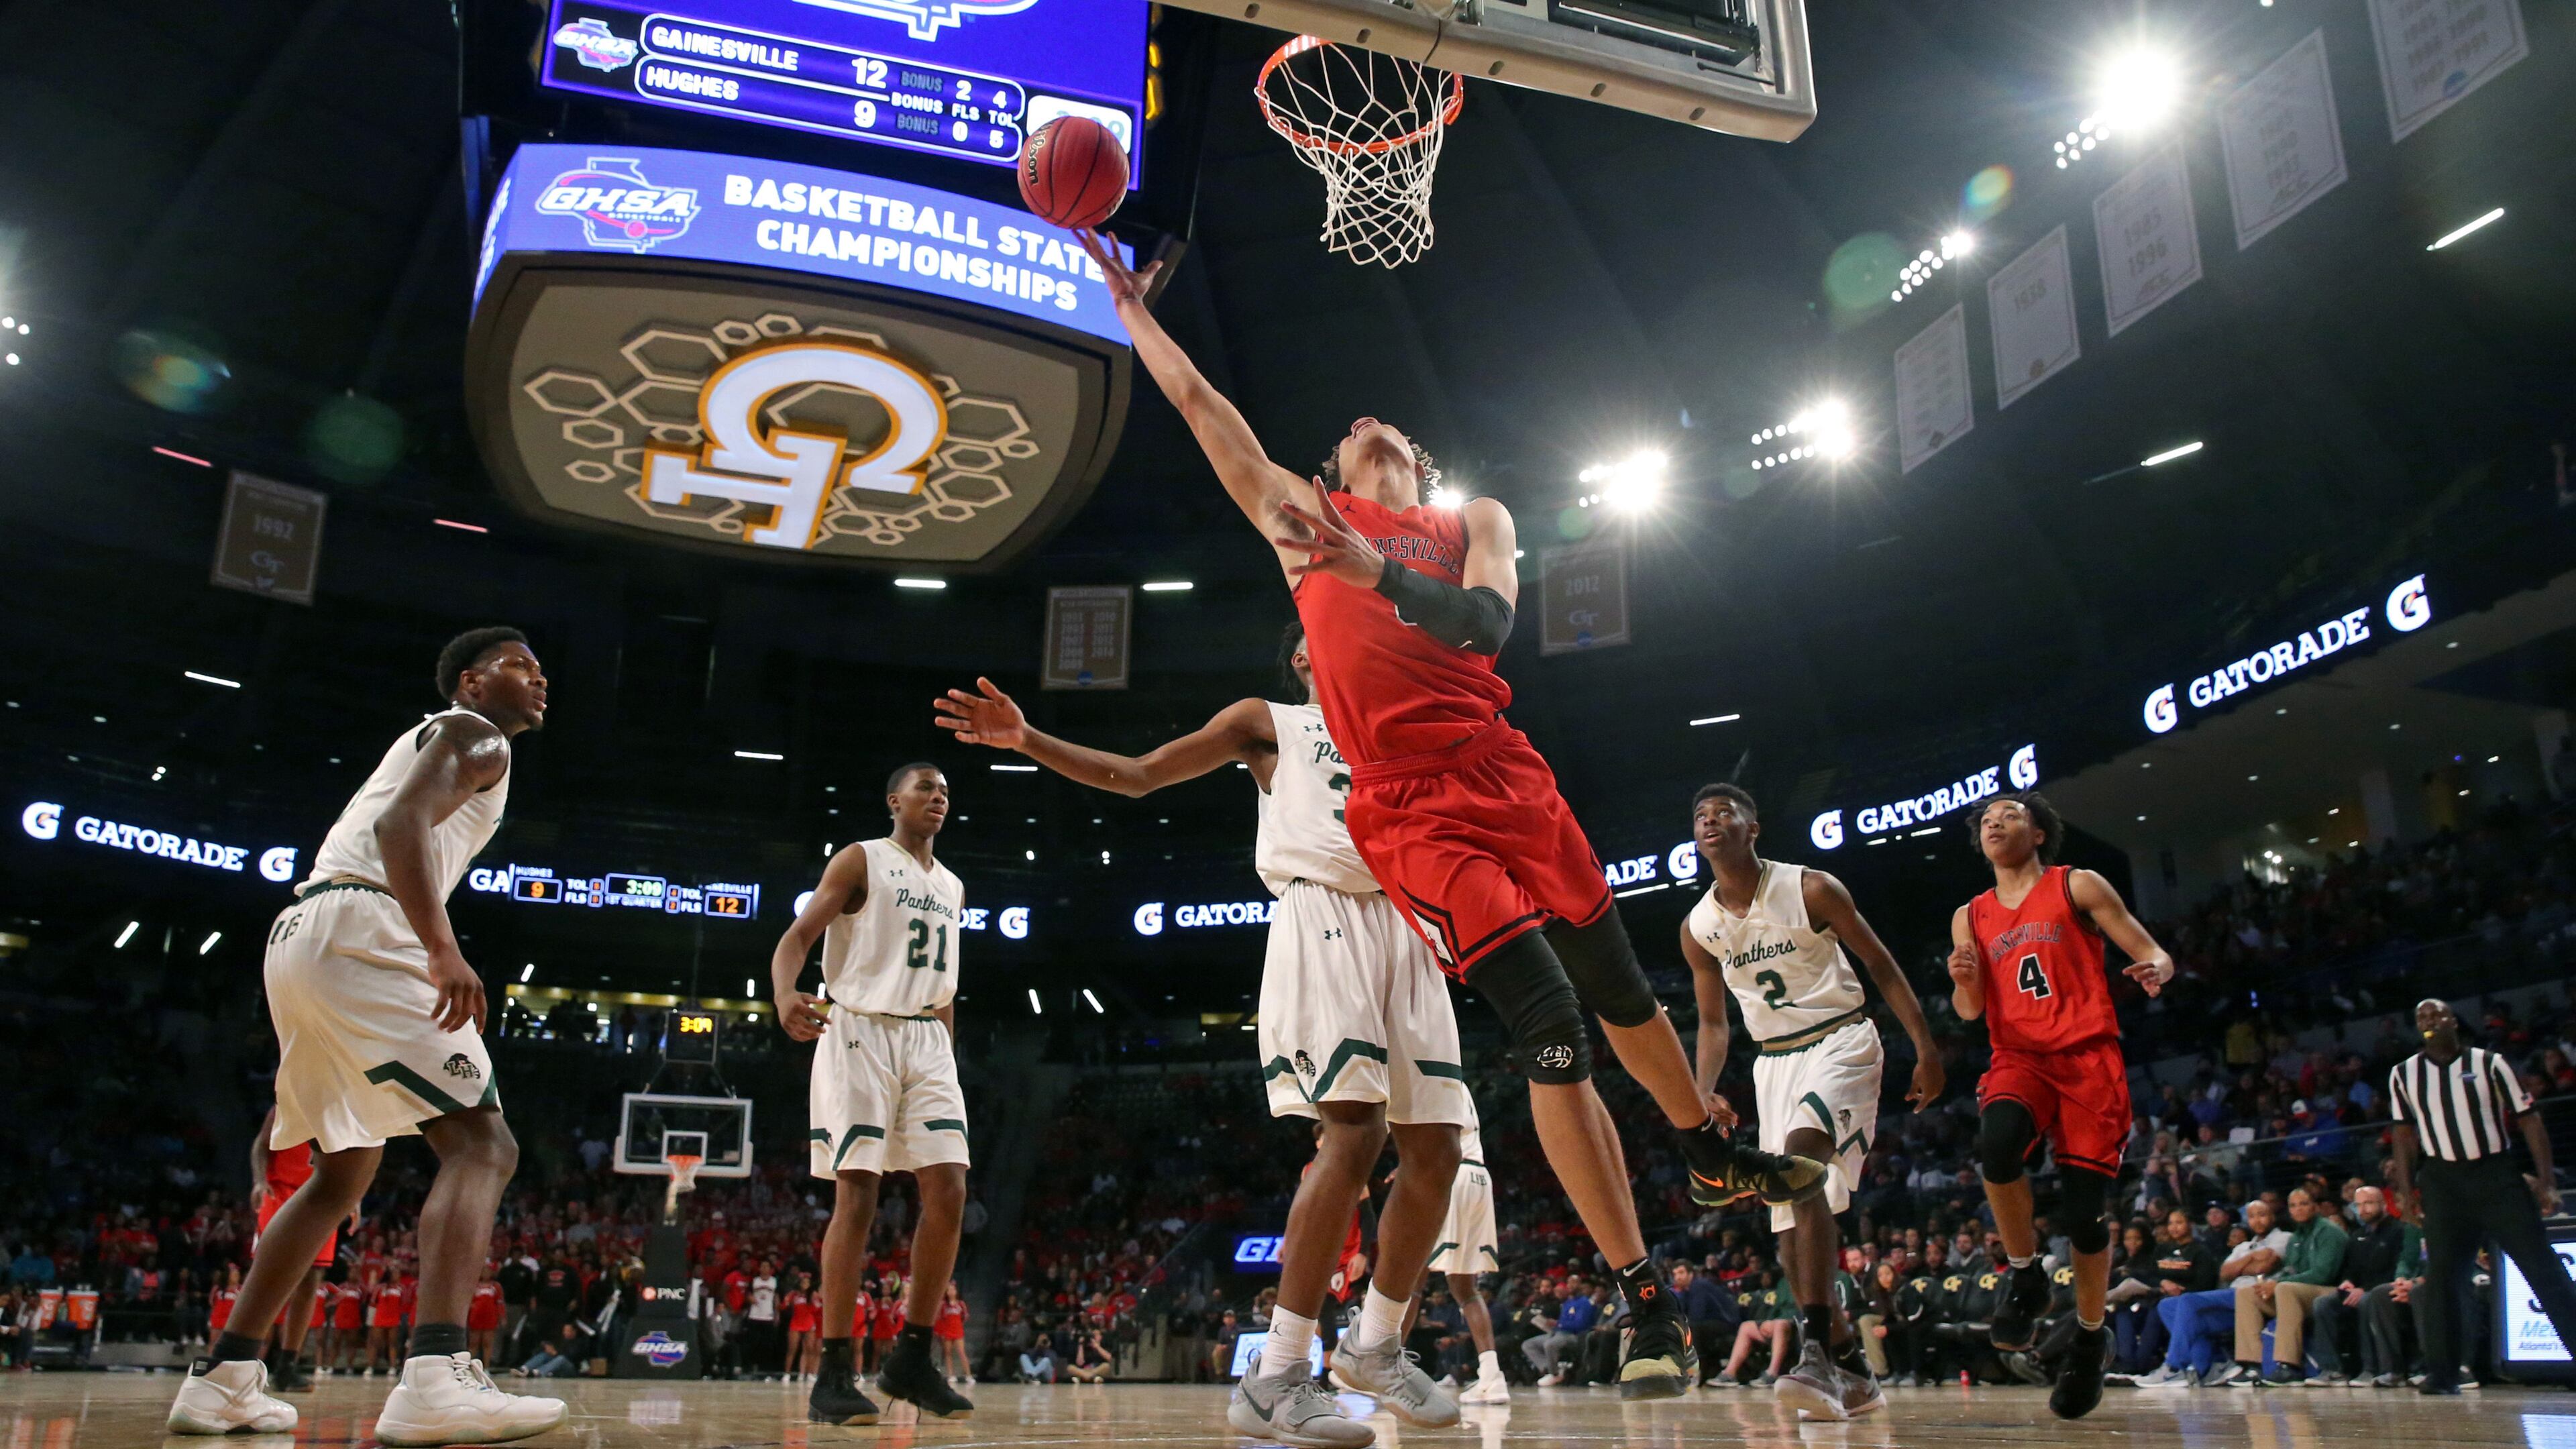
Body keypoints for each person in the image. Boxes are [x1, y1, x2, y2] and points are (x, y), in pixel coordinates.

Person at [1073, 223, 1822, 1411]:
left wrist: (1381, 580)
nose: (1375, 428)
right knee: (1549, 1026)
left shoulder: (1476, 518)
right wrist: (1135, 317)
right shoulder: (1299, 521)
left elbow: (1485, 628)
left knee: (1624, 990)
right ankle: (1644, 1299)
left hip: (1505, 771)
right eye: (1353, 436)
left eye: (1396, 435)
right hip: (1411, 812)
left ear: (1417, 461)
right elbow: (1204, 407)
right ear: (1334, 464)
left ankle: (1704, 1149)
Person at [936, 626, 1466, 1444]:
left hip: (1406, 927)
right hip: (1321, 917)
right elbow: (1142, 776)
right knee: (1353, 1136)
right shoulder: (1269, 722)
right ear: (1302, 656)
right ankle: (1279, 1372)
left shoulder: (1401, 735)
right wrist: (1026, 737)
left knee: (1438, 1148)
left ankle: (1376, 1344)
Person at [166, 629, 562, 1446]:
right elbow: (401, 828)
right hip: (364, 928)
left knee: (340, 1174)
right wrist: (443, 949)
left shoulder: (440, 736)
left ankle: (226, 1377)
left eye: (538, 666)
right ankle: (436, 1373)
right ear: (471, 681)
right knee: (483, 1146)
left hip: (301, 936)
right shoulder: (472, 732)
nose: (539, 676)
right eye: (519, 664)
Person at [1680, 783, 1943, 1419]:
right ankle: (1849, 1365)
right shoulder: (1699, 928)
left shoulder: (1811, 888)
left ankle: (1816, 1356)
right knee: (1788, 1222)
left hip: (1840, 1039)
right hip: (1773, 1064)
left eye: (1724, 812)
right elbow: (1714, 1024)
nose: (1710, 821)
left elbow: (1880, 964)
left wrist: (1927, 1047)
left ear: (1754, 826)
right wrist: (1702, 1090)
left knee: (1799, 1172)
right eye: (1700, 817)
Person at [1947, 791, 2174, 1419]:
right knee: (1995, 1148)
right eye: (1987, 820)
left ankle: (2090, 1338)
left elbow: (2149, 946)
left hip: (2087, 1058)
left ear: (2040, 832)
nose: (1995, 822)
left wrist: (2156, 966)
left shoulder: (2078, 885)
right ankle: (2025, 1273)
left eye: (2010, 815)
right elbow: (1970, 1011)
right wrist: (1965, 981)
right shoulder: (1970, 915)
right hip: (2019, 1058)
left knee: (2084, 1215)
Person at [771, 764, 975, 1425]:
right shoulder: (863, 859)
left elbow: (943, 982)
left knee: (949, 1188)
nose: (938, 797)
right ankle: (833, 1373)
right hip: (858, 1027)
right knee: (857, 1193)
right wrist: (784, 993)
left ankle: (911, 1358)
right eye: (926, 788)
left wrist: (946, 1050)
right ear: (895, 800)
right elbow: (797, 938)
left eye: (944, 790)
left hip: (927, 1037)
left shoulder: (951, 884)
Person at [2387, 998, 2576, 1395]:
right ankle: (2444, 1373)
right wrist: (2407, 1193)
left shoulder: (2490, 1063)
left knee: (2541, 1267)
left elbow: (2530, 1119)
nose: (2428, 1021)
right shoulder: (2403, 1074)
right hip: (2442, 1182)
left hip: (2495, 1174)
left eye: (2436, 1014)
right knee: (2442, 1280)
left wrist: (2547, 1181)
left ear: (2453, 1022)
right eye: (2421, 1016)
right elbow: (2404, 1136)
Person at [1405, 1103, 1507, 1405]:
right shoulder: (1456, 1079)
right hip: (1478, 1177)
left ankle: (1386, 1365)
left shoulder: (1434, 1074)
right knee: (1465, 1288)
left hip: (1454, 1174)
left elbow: (1437, 1134)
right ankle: (1492, 1376)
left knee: (1412, 1276)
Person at [248, 1107, 352, 1393]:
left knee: (311, 1282)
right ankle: (243, 1358)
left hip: (323, 1197)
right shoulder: (287, 1100)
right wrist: (259, 1181)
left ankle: (287, 1366)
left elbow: (352, 1158)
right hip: (280, 1192)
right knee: (269, 1275)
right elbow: (260, 1144)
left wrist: (353, 1198)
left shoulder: (342, 1106)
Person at [2134, 1200, 2288, 1387]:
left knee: (2187, 1301)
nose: (2257, 1220)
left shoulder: (2284, 1238)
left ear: (2272, 1216)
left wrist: (2240, 1267)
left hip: (2255, 1296)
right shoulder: (2244, 1247)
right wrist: (2251, 1258)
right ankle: (2213, 1364)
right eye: (2252, 1216)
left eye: (2262, 1215)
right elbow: (2225, 1273)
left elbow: (2264, 1266)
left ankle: (2174, 1367)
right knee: (2166, 1306)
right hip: (2231, 1299)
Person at [2228, 1185, 2347, 1384]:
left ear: (2315, 1207)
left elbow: (2323, 1274)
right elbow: (2290, 1270)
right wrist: (2267, 1283)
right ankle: (2253, 1366)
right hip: (2301, 1291)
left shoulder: (2328, 1232)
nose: (2298, 1209)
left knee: (2285, 1289)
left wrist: (2278, 1282)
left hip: (2332, 1290)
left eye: (2304, 1204)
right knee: (2247, 1294)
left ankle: (2288, 1366)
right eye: (2293, 1206)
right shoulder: (2297, 1237)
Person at [2310, 1185, 2405, 1385]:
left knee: (2366, 1300)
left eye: (2369, 1203)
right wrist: (2348, 1282)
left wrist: (2364, 1289)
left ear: (2383, 1204)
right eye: (2358, 1205)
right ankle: (2332, 1370)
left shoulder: (2399, 1231)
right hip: (2358, 1290)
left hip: (2385, 1291)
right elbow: (2351, 1269)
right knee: (2323, 1304)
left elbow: (2397, 1270)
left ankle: (2370, 1368)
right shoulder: (2357, 1236)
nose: (2363, 1209)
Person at [784, 1271, 819, 1381]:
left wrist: (815, 1301)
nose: (805, 1284)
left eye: (807, 1282)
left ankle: (808, 1374)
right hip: (796, 1323)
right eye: (803, 1282)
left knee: (809, 1350)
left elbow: (818, 1309)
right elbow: (784, 1306)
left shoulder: (814, 1295)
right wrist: (786, 1302)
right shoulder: (793, 1294)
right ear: (799, 1283)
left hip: (809, 1323)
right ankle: (787, 1374)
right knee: (792, 1349)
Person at [934, 1282, 970, 1384]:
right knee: (948, 1353)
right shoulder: (944, 1305)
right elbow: (939, 1318)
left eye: (953, 1290)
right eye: (949, 1290)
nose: (951, 1292)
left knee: (962, 1352)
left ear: (956, 1292)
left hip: (958, 1331)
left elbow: (965, 1316)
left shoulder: (961, 1304)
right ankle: (951, 1375)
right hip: (947, 1332)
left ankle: (968, 1375)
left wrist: (959, 1324)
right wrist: (941, 1331)